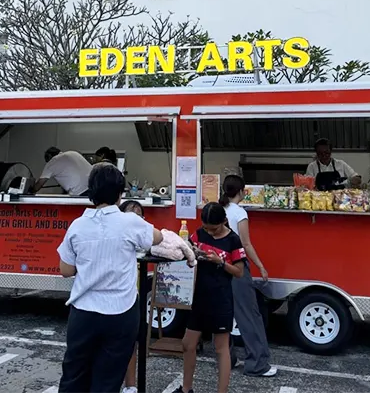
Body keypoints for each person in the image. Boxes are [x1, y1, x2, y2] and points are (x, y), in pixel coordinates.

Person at [57, 163, 163, 393]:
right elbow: (157, 237)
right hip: (120, 312)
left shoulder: (77, 225)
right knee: (108, 381)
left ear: (91, 191)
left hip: (84, 312)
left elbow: (65, 270)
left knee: (74, 377)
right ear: (119, 193)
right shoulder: (130, 221)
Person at [175, 203, 246, 393]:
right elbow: (188, 248)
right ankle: (186, 389)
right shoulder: (200, 233)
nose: (210, 232)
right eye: (206, 228)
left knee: (221, 348)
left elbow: (239, 272)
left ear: (224, 221)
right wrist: (192, 254)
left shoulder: (233, 240)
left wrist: (220, 262)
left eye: (214, 229)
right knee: (188, 343)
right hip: (199, 296)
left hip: (221, 298)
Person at [218, 174, 277, 378]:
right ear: (241, 191)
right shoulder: (239, 213)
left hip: (219, 267)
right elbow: (246, 244)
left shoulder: (219, 210)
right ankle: (257, 364)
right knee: (249, 315)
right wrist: (260, 266)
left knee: (224, 316)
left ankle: (227, 359)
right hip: (237, 267)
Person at [118, 200, 145, 393]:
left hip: (133, 299)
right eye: (131, 216)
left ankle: (131, 386)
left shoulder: (144, 240)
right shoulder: (117, 238)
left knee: (131, 344)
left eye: (139, 217)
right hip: (115, 300)